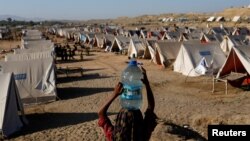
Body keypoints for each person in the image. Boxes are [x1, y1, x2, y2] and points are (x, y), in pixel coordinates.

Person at [98, 67, 157, 141]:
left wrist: (114, 94)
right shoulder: (143, 135)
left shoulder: (114, 137)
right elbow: (151, 107)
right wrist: (147, 84)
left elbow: (101, 113)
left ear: (119, 121)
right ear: (139, 120)